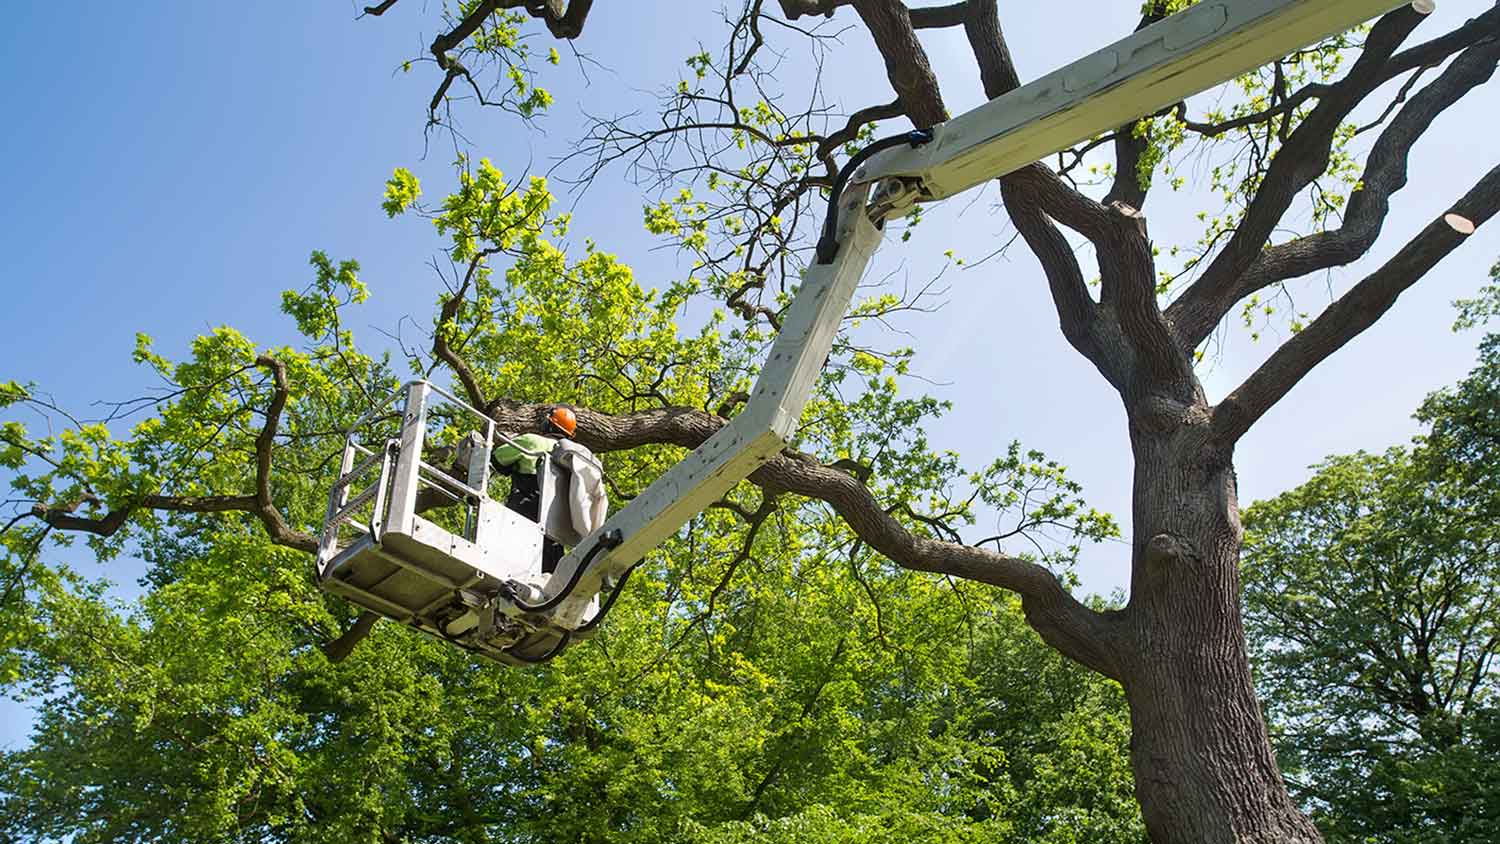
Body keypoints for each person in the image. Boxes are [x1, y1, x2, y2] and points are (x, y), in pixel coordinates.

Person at [492, 407, 577, 573]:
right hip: (555, 534)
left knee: (507, 572)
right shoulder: (574, 458)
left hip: (522, 518)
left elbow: (497, 459)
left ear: (548, 424)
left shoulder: (531, 441)